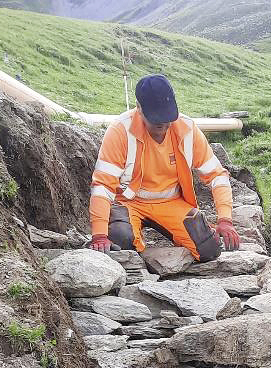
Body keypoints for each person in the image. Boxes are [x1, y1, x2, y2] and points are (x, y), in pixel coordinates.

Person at [88, 74, 240, 261]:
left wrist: (225, 219)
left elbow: (217, 175)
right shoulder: (120, 130)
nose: (164, 126)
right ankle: (132, 241)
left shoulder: (187, 129)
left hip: (171, 203)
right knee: (119, 241)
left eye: (168, 119)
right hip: (129, 203)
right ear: (139, 108)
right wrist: (99, 234)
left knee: (209, 250)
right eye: (156, 121)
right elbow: (103, 185)